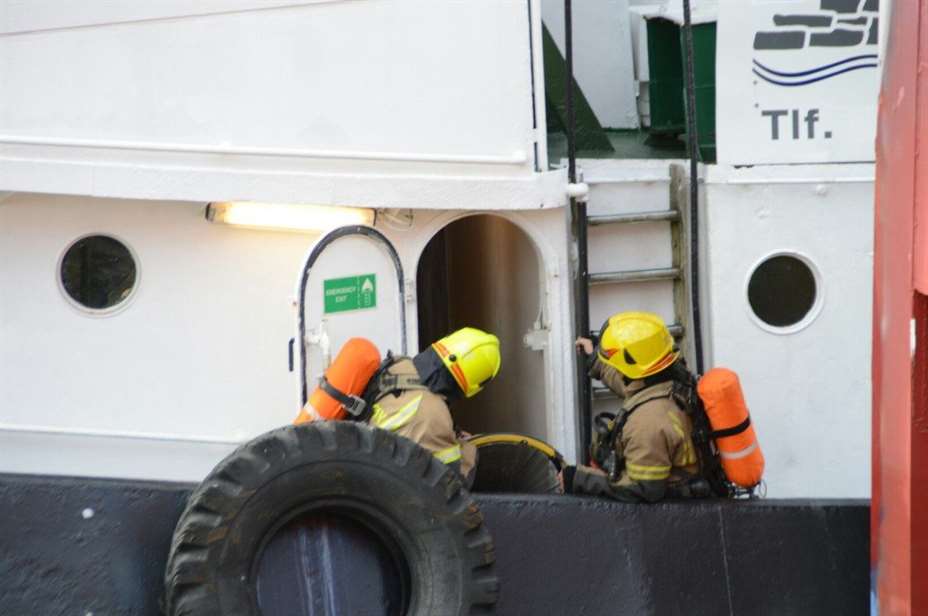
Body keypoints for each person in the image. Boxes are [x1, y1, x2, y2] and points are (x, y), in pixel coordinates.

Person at [563, 311, 706, 502]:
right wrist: (596, 358)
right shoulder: (670, 380)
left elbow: (643, 488)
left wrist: (579, 479)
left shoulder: (648, 423)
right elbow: (629, 383)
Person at [365, 327, 501, 487]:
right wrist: (469, 449)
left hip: (356, 456)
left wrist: (451, 432)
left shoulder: (399, 363)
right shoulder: (435, 416)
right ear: (475, 385)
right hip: (376, 487)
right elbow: (451, 485)